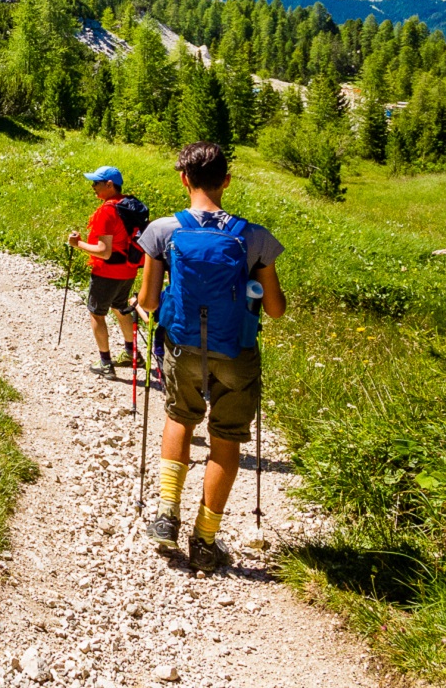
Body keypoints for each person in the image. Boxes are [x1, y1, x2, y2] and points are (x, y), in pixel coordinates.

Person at [133, 142, 286, 571]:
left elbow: (147, 300)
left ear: (184, 178)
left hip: (183, 347)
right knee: (226, 437)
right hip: (235, 351)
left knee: (180, 417)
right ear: (226, 181)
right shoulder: (253, 236)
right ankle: (204, 539)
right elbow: (275, 309)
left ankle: (166, 514)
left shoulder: (163, 231)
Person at [66, 166, 144, 381]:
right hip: (128, 269)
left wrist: (78, 243)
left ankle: (105, 363)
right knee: (120, 307)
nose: (93, 187)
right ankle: (131, 353)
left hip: (107, 273)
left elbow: (104, 251)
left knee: (97, 314)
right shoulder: (130, 206)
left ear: (109, 185)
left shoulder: (107, 211)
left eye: (96, 183)